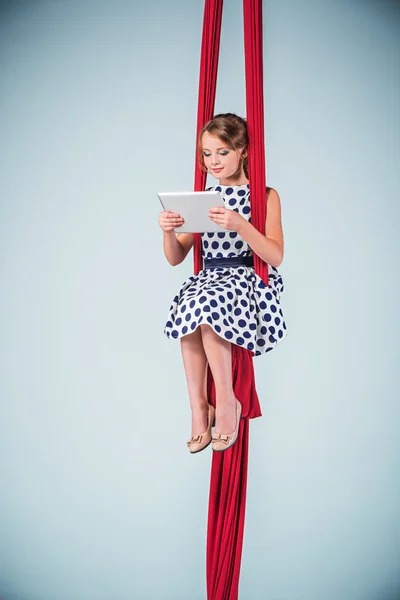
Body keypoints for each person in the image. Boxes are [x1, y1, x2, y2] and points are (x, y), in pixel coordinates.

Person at [158, 113, 287, 454]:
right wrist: (168, 230)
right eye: (206, 154)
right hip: (209, 278)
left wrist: (239, 224)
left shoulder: (264, 195)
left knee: (204, 307)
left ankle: (228, 403)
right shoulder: (204, 196)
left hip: (246, 279)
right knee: (189, 313)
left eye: (222, 152)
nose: (213, 161)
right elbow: (175, 258)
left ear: (243, 151)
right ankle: (200, 408)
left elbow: (275, 256)